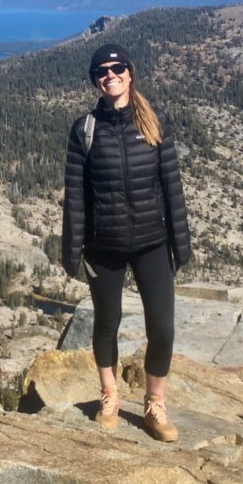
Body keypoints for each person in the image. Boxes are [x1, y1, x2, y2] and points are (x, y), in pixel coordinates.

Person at [61, 43, 191, 441]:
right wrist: (72, 250)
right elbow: (76, 196)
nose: (110, 75)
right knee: (106, 324)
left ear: (130, 73)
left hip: (152, 241)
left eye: (117, 68)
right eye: (102, 71)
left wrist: (180, 244)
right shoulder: (85, 130)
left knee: (163, 328)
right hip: (105, 246)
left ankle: (154, 406)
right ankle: (110, 396)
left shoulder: (155, 121)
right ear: (95, 80)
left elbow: (172, 186)